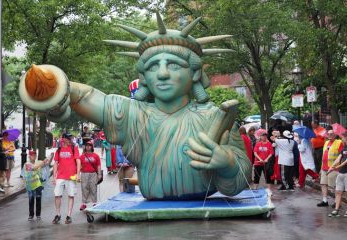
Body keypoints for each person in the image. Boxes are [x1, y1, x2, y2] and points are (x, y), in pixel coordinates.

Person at [18, 14, 252, 200]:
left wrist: (229, 163)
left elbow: (240, 178)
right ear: (144, 77)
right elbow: (83, 95)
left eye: (173, 64)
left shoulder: (216, 116)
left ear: (195, 72)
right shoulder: (133, 115)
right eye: (152, 67)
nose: (162, 73)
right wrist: (50, 86)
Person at [52, 133, 81, 224]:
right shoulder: (59, 149)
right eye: (68, 138)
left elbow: (78, 161)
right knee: (57, 195)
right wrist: (54, 176)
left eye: (70, 138)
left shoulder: (74, 148)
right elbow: (56, 163)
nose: (70, 140)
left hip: (71, 176)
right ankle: (58, 214)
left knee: (71, 195)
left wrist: (78, 174)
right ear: (63, 139)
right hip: (60, 176)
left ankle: (68, 216)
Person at [24, 150, 53, 221]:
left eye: (35, 155)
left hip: (38, 185)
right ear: (29, 156)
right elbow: (34, 167)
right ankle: (31, 215)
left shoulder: (39, 162)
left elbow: (48, 163)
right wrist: (43, 162)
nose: (34, 157)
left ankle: (38, 215)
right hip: (30, 185)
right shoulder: (27, 164)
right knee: (31, 200)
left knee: (38, 200)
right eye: (32, 155)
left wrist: (51, 156)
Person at [317, 128, 343, 207]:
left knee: (334, 186)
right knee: (323, 184)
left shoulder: (339, 142)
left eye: (332, 134)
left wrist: (338, 167)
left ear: (335, 135)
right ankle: (325, 201)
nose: (330, 135)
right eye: (328, 134)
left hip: (333, 168)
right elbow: (324, 155)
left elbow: (341, 156)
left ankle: (336, 202)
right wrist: (321, 168)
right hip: (324, 167)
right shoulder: (326, 142)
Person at [328, 132, 347, 217]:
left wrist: (335, 168)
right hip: (341, 173)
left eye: (343, 137)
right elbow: (339, 158)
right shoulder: (344, 148)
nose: (342, 139)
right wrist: (332, 166)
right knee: (338, 191)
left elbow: (346, 162)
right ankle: (336, 210)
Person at [79, 141, 102, 211]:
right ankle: (84, 203)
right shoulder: (82, 156)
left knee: (93, 188)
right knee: (84, 188)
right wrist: (77, 174)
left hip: (93, 174)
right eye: (87, 145)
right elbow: (79, 165)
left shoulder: (96, 156)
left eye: (90, 145)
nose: (88, 146)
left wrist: (99, 174)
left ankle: (94, 203)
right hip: (84, 174)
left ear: (92, 147)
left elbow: (98, 165)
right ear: (85, 147)